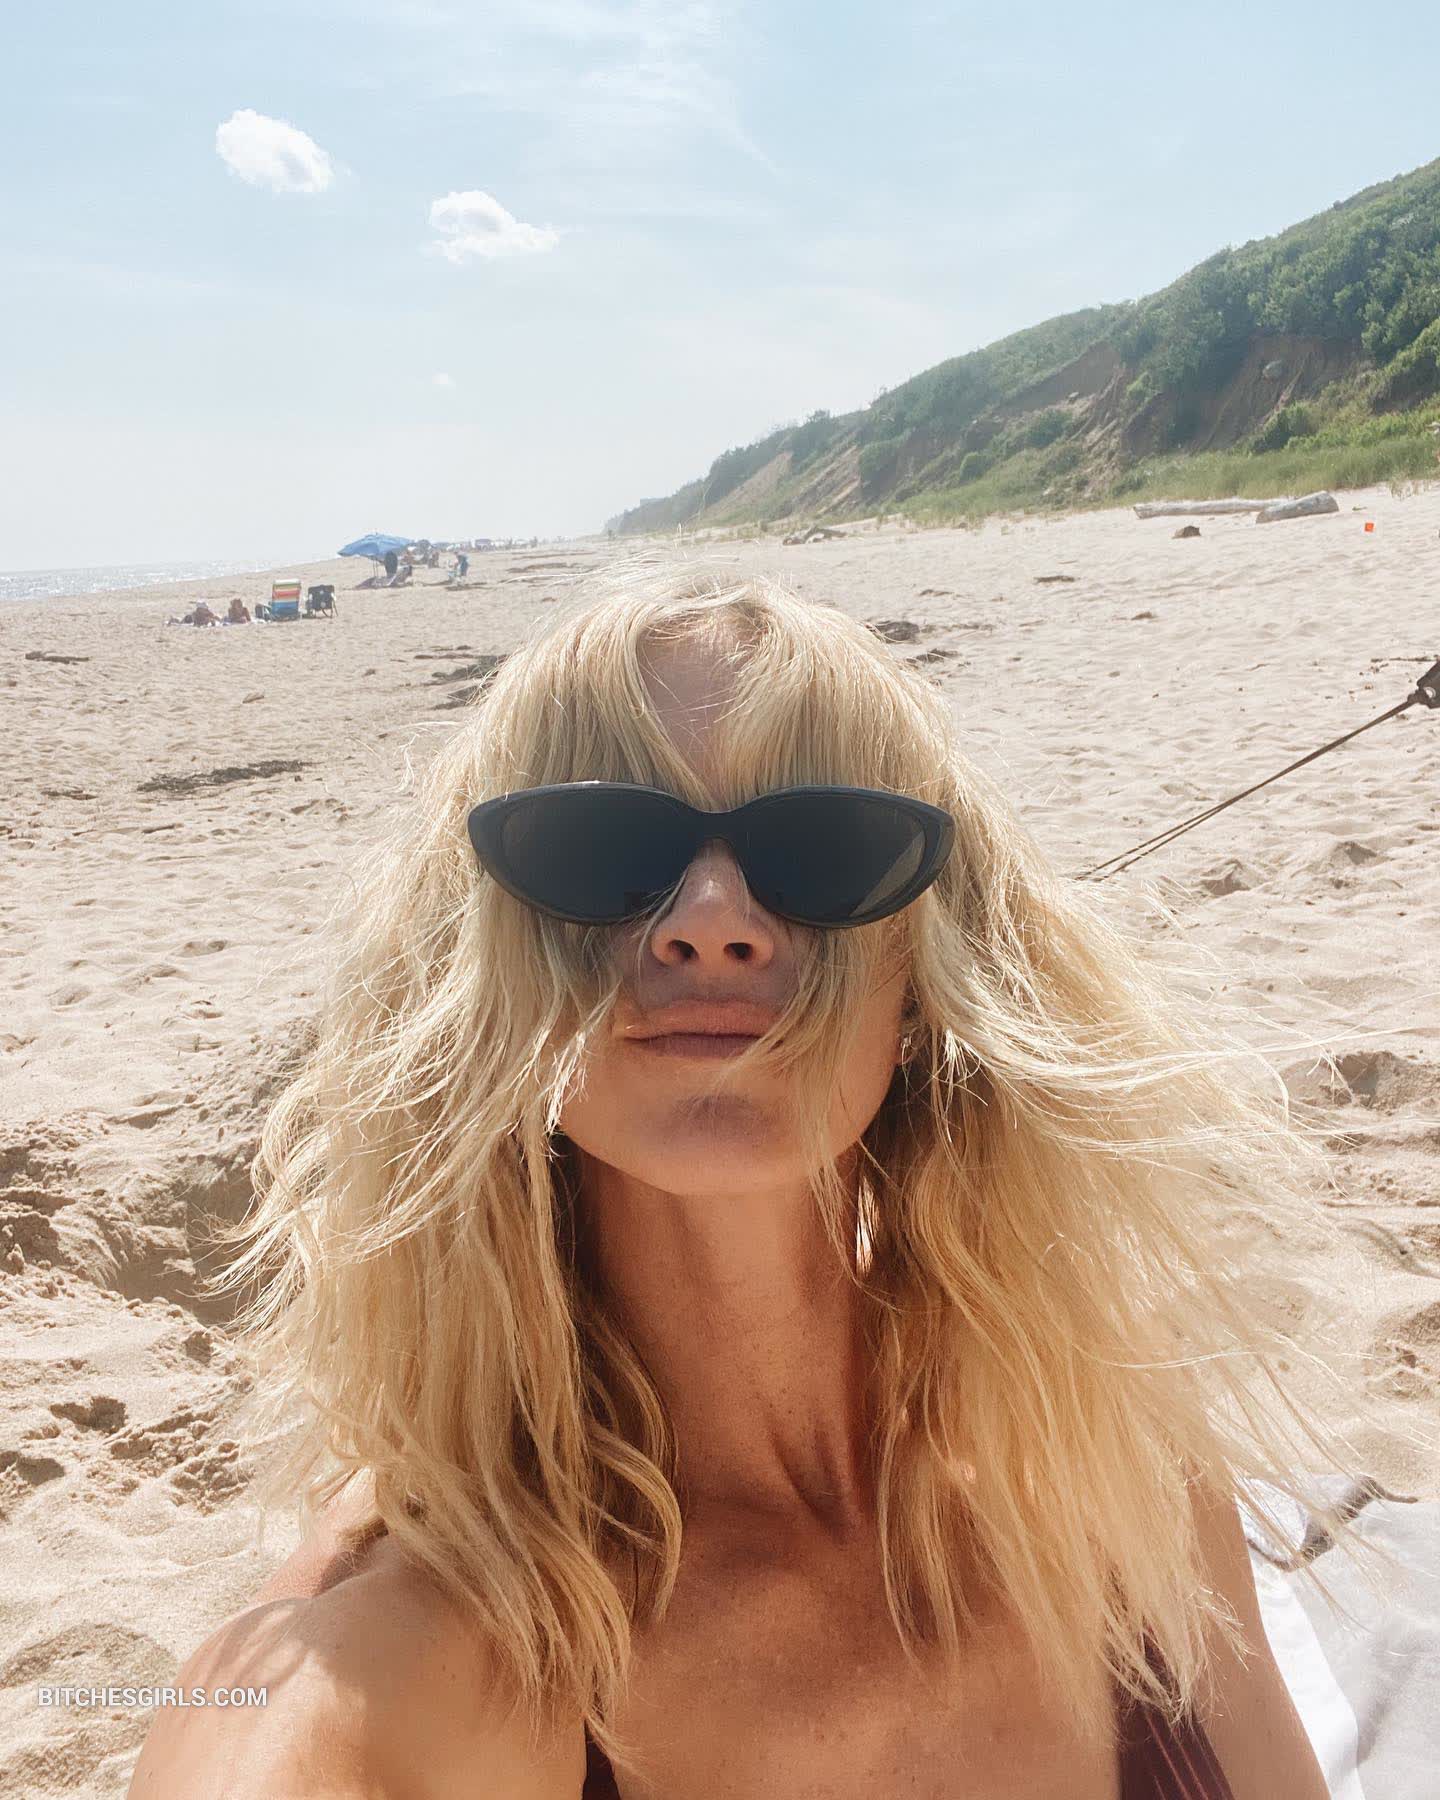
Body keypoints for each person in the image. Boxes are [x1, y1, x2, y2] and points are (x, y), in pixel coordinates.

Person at [131, 567, 1374, 1799]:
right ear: (485, 976)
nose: (713, 919)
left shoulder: (1126, 1485)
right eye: (600, 850)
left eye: (826, 850)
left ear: (928, 978)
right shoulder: (399, 1679)